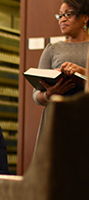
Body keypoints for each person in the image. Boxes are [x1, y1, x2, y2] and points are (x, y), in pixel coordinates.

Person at [33, 0, 89, 140]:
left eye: (68, 14)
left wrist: (82, 72)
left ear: (85, 18)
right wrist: (49, 94)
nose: (62, 19)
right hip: (57, 119)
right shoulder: (52, 49)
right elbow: (36, 96)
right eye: (60, 15)